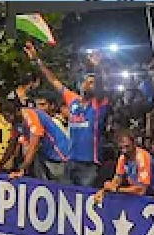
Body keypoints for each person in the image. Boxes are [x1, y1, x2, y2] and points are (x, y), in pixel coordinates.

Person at [26, 42, 109, 187]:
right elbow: (53, 80)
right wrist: (36, 60)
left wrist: (97, 67)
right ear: (81, 84)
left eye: (93, 83)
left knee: (84, 203)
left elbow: (102, 86)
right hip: (69, 161)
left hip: (88, 165)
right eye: (88, 82)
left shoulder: (98, 104)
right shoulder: (73, 100)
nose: (91, 85)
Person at [97, 127, 154, 199]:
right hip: (135, 194)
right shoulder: (123, 157)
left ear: (134, 143)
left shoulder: (142, 157)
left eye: (127, 146)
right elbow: (117, 180)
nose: (124, 151)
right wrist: (106, 188)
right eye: (121, 148)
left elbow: (141, 190)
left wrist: (117, 189)